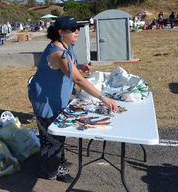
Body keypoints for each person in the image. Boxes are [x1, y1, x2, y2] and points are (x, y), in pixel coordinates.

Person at [28, 16, 118, 182]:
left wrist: (79, 67)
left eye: (77, 28)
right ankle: (49, 171)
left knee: (58, 135)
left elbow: (70, 68)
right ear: (61, 32)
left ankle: (57, 163)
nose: (77, 31)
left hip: (57, 98)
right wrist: (103, 98)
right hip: (46, 100)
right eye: (72, 29)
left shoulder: (66, 46)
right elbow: (78, 80)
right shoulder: (57, 53)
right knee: (51, 137)